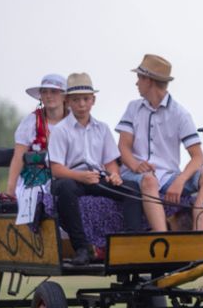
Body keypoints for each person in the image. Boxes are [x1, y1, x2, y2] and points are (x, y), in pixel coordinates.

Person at [48, 73, 146, 266]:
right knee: (66, 189)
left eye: (85, 99)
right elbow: (56, 169)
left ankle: (130, 243)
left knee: (132, 188)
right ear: (68, 102)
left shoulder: (102, 128)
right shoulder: (60, 130)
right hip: (71, 177)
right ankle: (82, 248)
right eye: (76, 100)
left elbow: (110, 162)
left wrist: (114, 176)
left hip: (95, 177)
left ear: (93, 100)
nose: (82, 104)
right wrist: (80, 176)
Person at [116, 54, 203, 231]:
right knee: (149, 181)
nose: (136, 83)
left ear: (149, 80)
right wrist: (136, 165)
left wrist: (180, 181)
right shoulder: (133, 108)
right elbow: (123, 146)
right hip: (135, 175)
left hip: (169, 177)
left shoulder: (180, 114)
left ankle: (201, 235)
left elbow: (198, 157)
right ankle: (162, 238)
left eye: (139, 77)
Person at [6, 74, 69, 225]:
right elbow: (18, 157)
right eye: (45, 92)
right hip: (36, 178)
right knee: (37, 195)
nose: (49, 96)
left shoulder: (74, 121)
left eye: (54, 92)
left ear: (64, 97)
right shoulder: (31, 122)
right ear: (40, 96)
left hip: (68, 175)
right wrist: (10, 189)